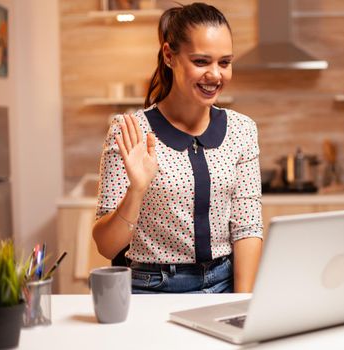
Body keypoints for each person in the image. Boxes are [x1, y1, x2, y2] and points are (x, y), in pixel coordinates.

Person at [92, 2, 263, 294]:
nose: (215, 75)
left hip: (223, 284)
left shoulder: (241, 130)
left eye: (224, 62)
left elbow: (247, 228)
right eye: (201, 62)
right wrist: (136, 190)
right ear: (170, 56)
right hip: (151, 288)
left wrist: (241, 303)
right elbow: (106, 245)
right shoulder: (130, 130)